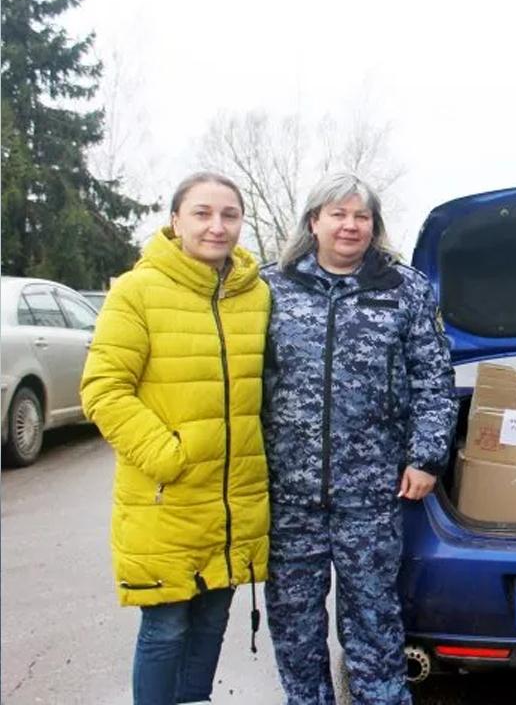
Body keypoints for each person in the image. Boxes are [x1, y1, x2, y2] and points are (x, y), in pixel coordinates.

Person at [260, 174, 456, 705]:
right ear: (313, 221)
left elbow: (434, 381)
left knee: (373, 622)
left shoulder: (405, 289)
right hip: (287, 497)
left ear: (374, 226)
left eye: (361, 216)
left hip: (371, 494)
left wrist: (426, 457)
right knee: (294, 625)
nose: (350, 225)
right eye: (338, 214)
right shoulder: (269, 288)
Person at [80, 172, 270, 705]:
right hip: (170, 495)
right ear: (175, 221)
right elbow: (104, 389)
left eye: (229, 215)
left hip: (235, 497)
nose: (217, 226)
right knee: (165, 628)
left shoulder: (256, 295)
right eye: (202, 213)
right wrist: (171, 456)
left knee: (212, 620)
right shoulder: (137, 291)